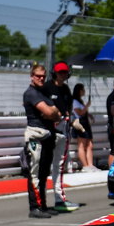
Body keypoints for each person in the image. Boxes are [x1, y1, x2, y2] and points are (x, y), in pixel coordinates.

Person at [22, 64, 60, 218]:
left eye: (43, 76)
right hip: (35, 137)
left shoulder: (43, 93)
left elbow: (57, 113)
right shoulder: (31, 93)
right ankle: (35, 207)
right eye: (38, 76)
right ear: (32, 76)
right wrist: (52, 112)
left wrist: (53, 113)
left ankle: (43, 205)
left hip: (48, 137)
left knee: (44, 173)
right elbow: (50, 112)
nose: (41, 78)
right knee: (35, 173)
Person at [46, 62, 78, 211]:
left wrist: (71, 119)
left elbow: (69, 109)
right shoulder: (46, 87)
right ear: (54, 73)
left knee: (58, 165)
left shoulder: (66, 89)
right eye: (60, 72)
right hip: (48, 131)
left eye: (65, 72)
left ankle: (59, 199)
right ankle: (39, 202)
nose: (63, 75)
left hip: (63, 131)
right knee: (42, 165)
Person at [71, 83, 95, 171]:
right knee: (81, 144)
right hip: (80, 124)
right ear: (79, 91)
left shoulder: (80, 101)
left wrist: (89, 115)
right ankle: (85, 166)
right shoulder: (74, 101)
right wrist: (87, 105)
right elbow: (80, 113)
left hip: (86, 123)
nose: (84, 91)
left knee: (89, 144)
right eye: (83, 89)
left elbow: (83, 111)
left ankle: (90, 165)